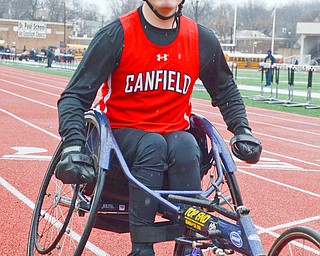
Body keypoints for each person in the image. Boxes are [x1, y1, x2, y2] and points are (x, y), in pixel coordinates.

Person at [55, 1, 262, 255]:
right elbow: (75, 96)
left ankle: (187, 245)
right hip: (121, 143)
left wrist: (242, 129)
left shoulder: (200, 39)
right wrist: (74, 144)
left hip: (175, 143)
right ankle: (142, 248)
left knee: (186, 144)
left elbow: (225, 89)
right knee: (152, 144)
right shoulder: (116, 35)